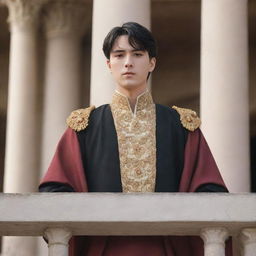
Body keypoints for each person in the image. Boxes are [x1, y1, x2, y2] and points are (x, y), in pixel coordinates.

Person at [39, 22, 232, 255]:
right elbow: (55, 192)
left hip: (167, 248)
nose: (128, 62)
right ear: (109, 64)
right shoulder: (84, 127)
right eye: (119, 55)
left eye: (137, 54)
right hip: (102, 249)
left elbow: (211, 192)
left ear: (152, 63)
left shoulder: (181, 125)